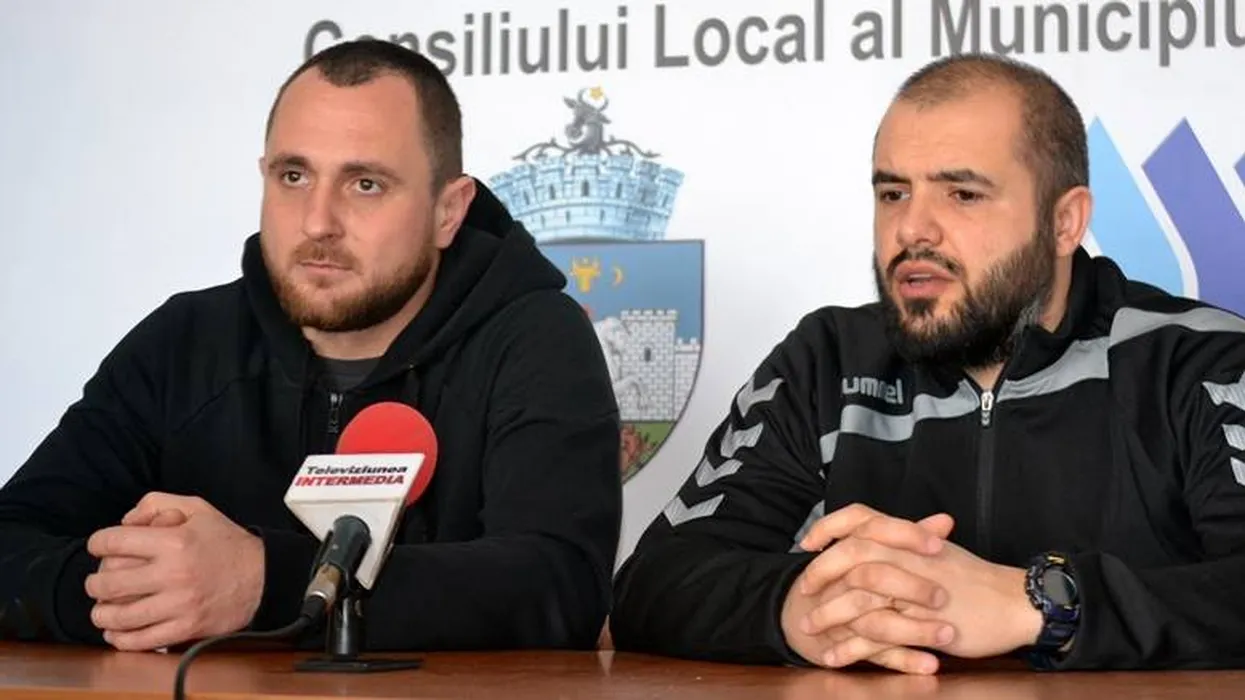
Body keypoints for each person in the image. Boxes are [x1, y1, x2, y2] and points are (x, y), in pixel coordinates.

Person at [610, 53, 1245, 674]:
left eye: (962, 194)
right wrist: (795, 607)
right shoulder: (827, 361)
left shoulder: (1198, 360)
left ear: (1064, 221)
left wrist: (1040, 603)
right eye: (893, 192)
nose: (913, 228)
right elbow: (652, 584)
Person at [0, 39, 622, 653]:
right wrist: (144, 592)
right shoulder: (183, 342)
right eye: (293, 176)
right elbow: (12, 540)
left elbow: (559, 585)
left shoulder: (534, 338)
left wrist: (263, 584)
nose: (317, 221)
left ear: (448, 212)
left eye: (366, 184)